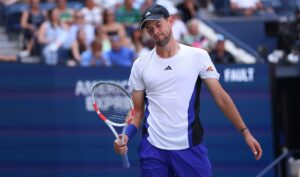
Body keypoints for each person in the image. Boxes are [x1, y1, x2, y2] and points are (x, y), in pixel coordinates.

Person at [114, 4, 262, 177]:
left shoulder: (198, 56)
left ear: (171, 21)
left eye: (158, 25)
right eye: (149, 29)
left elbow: (221, 98)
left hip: (190, 147)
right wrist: (126, 135)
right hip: (153, 149)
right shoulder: (140, 65)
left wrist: (245, 132)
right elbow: (137, 112)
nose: (155, 31)